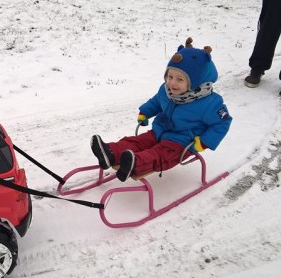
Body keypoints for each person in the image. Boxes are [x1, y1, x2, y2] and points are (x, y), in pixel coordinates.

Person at [91, 38, 232, 182]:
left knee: (159, 154)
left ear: (196, 83)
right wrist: (145, 112)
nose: (172, 83)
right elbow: (157, 102)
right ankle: (110, 153)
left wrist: (204, 142)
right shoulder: (166, 91)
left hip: (181, 143)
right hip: (159, 131)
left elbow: (222, 123)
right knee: (138, 141)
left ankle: (134, 163)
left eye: (180, 79)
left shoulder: (209, 103)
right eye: (170, 76)